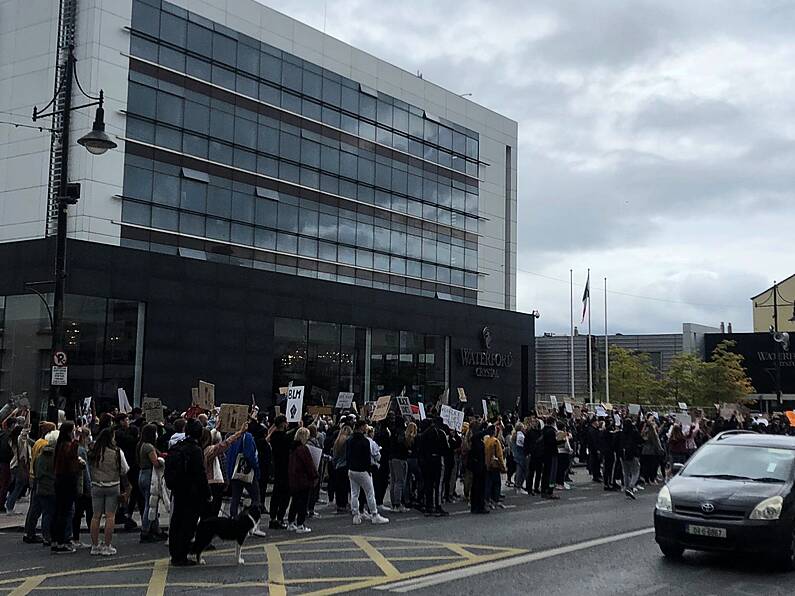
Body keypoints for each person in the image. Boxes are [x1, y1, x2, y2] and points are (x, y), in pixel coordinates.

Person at [168, 419, 209, 567]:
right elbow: (200, 474)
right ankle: (182, 555)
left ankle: (174, 553)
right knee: (188, 524)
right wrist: (207, 492)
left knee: (176, 521)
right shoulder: (195, 450)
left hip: (178, 490)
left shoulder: (177, 447)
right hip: (192, 492)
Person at [88, 428, 122, 556]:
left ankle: (95, 545)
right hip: (113, 484)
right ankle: (107, 545)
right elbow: (124, 469)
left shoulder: (93, 452)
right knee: (110, 516)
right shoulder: (117, 452)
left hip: (97, 485)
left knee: (95, 516)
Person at [347, 420, 388, 525]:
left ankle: (356, 515)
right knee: (370, 493)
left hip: (352, 469)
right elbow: (367, 458)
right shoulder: (364, 441)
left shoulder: (350, 439)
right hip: (363, 470)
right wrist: (369, 470)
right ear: (361, 428)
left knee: (354, 493)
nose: (366, 428)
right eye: (365, 427)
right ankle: (374, 514)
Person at [23, 421, 56, 544]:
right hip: (40, 479)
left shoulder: (37, 442)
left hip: (33, 475)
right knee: (41, 508)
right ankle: (38, 534)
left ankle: (28, 532)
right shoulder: (45, 445)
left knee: (34, 507)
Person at [202, 425, 245, 519]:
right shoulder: (209, 451)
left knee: (206, 512)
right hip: (213, 482)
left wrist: (216, 428)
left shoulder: (200, 449)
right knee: (213, 512)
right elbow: (225, 443)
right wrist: (239, 433)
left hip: (205, 483)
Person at [52, 421, 81, 553]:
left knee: (59, 511)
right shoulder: (67, 445)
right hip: (67, 480)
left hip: (60, 480)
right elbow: (71, 455)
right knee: (65, 511)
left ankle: (57, 540)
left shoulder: (60, 445)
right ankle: (61, 542)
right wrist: (76, 440)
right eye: (74, 430)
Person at [137, 424, 165, 543]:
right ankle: (145, 530)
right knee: (150, 505)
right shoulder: (149, 447)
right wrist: (162, 460)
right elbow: (156, 462)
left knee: (152, 504)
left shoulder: (141, 445)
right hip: (149, 476)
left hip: (143, 474)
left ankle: (155, 529)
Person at [287, 427, 318, 533]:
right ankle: (300, 524)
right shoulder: (303, 449)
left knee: (295, 502)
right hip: (303, 479)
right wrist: (315, 476)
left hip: (293, 479)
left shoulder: (293, 448)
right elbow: (309, 465)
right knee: (303, 503)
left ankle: (291, 522)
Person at [419, 418, 448, 516]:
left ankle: (428, 506)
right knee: (438, 484)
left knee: (428, 484)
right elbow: (446, 448)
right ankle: (437, 505)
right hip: (438, 460)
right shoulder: (441, 433)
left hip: (427, 461)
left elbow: (421, 448)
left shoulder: (424, 434)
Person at [267, 416, 291, 530]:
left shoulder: (273, 437)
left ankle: (272, 518)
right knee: (285, 496)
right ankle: (280, 518)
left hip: (276, 468)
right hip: (285, 469)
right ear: (283, 424)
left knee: (275, 495)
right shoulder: (285, 438)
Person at [468, 421, 488, 513]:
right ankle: (477, 505)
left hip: (480, 465)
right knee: (477, 486)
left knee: (478, 486)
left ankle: (478, 505)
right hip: (478, 466)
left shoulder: (478, 440)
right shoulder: (475, 439)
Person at [484, 425, 506, 508]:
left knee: (488, 483)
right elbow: (500, 456)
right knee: (497, 483)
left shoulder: (486, 441)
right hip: (495, 465)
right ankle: (495, 500)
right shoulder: (496, 441)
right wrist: (503, 467)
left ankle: (487, 499)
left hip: (487, 464)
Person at [620, 419, 643, 499]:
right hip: (633, 454)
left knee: (626, 473)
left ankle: (627, 488)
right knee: (635, 471)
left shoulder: (621, 433)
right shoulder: (634, 432)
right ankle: (631, 486)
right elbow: (640, 440)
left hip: (623, 455)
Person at [332, 425, 352, 514]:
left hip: (338, 466)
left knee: (339, 487)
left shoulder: (337, 442)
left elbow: (335, 456)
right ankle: (344, 504)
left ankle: (339, 504)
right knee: (344, 487)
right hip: (345, 466)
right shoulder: (347, 442)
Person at [540, 417, 559, 499]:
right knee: (551, 473)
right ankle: (549, 491)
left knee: (545, 473)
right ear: (553, 423)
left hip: (544, 454)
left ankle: (544, 490)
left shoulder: (543, 430)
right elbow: (553, 443)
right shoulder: (551, 431)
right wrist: (561, 440)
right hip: (552, 454)